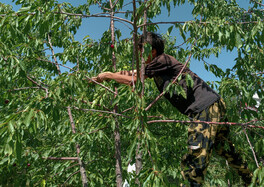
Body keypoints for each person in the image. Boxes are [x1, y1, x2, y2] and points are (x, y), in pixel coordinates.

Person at [92, 32, 252, 186]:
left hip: (205, 108)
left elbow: (134, 79)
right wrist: (107, 75)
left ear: (152, 51)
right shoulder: (156, 66)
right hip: (214, 105)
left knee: (194, 163)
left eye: (141, 51)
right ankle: (252, 181)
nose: (139, 55)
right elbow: (132, 73)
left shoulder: (162, 60)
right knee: (225, 150)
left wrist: (108, 76)